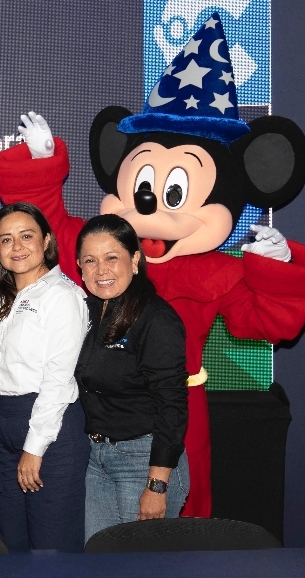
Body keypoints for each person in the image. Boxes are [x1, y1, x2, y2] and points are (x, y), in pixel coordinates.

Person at [0, 202, 90, 552]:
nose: (17, 247)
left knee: (51, 547)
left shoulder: (63, 297)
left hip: (49, 431)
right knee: (8, 542)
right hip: (0, 425)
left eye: (26, 236)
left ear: (46, 240)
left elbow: (58, 381)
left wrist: (33, 448)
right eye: (6, 239)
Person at [74, 214, 190, 541]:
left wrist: (157, 484)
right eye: (90, 260)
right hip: (96, 459)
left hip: (143, 462)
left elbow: (172, 406)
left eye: (112, 258)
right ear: (80, 267)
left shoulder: (157, 319)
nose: (101, 270)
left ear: (135, 260)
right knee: (98, 558)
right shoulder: (85, 311)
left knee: (138, 564)